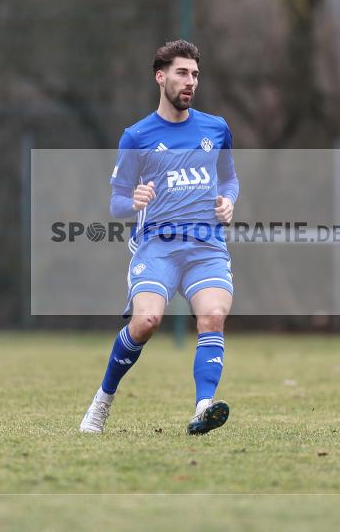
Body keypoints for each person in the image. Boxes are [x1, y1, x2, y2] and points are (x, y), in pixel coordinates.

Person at [79, 40, 239, 435]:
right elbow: (116, 203)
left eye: (196, 75)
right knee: (147, 320)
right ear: (160, 76)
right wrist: (133, 199)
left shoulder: (215, 129)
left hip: (206, 246)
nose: (191, 82)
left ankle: (203, 407)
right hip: (158, 246)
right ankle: (102, 401)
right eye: (182, 73)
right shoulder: (137, 136)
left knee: (213, 316)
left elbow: (230, 178)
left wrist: (229, 202)